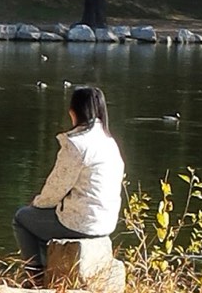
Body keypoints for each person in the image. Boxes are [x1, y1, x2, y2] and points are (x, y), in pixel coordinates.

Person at [13, 84, 125, 279]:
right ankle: (50, 272)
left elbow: (56, 188)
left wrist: (37, 203)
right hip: (106, 221)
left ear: (74, 111)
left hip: (80, 222)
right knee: (41, 220)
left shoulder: (77, 144)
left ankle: (35, 276)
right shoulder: (109, 142)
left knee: (23, 218)